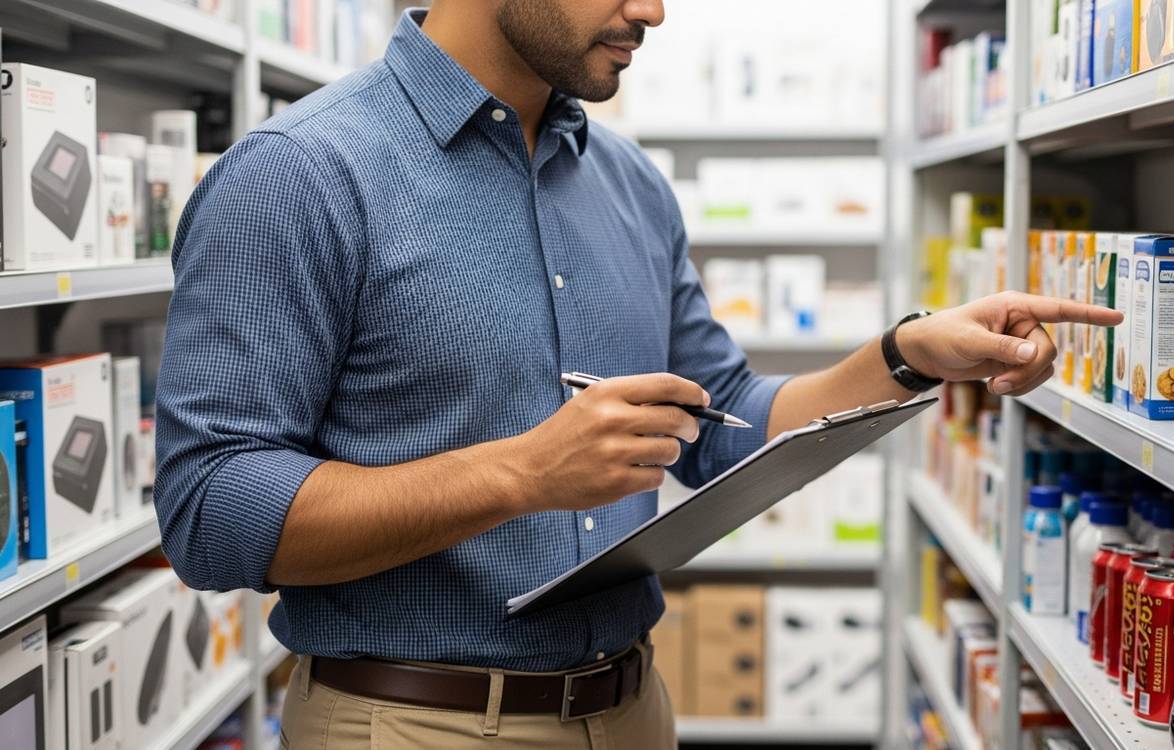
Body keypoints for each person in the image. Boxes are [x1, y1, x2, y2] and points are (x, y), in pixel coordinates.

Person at [154, 1, 1121, 747]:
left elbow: (725, 420)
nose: (654, 11)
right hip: (412, 720)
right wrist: (521, 476)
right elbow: (210, 512)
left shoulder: (627, 183)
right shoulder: (301, 172)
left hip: (630, 710)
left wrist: (908, 357)